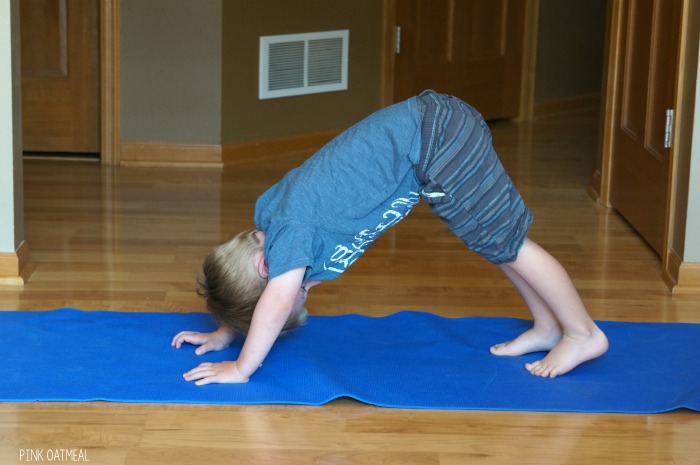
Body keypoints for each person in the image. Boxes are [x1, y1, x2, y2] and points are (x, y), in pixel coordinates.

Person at [171, 90, 608, 385]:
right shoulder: (271, 227)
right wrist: (225, 330)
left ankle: (581, 332)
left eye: (285, 297)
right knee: (493, 241)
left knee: (510, 243)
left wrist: (242, 366)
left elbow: (276, 299)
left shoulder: (289, 233)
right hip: (431, 140)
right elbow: (260, 284)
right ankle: (549, 326)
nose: (297, 298)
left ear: (267, 268)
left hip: (438, 140)